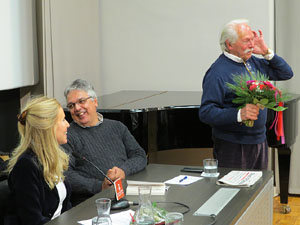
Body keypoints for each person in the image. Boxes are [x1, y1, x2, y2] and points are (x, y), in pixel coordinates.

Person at [199, 19, 293, 170]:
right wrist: (238, 114)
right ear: (230, 44)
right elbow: (206, 112)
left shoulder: (252, 61)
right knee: (236, 191)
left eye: (252, 39)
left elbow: (286, 73)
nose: (252, 45)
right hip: (233, 145)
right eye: (247, 40)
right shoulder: (217, 72)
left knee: (257, 190)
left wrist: (266, 52)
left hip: (259, 140)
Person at [62, 79, 147, 205]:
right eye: (71, 105)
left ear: (95, 101)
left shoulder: (117, 127)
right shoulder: (67, 136)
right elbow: (66, 175)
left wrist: (122, 171)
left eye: (81, 101)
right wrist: (100, 186)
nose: (77, 108)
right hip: (92, 202)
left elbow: (139, 155)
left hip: (125, 194)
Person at [5, 96, 71, 225]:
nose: (68, 124)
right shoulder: (26, 166)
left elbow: (65, 206)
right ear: (49, 127)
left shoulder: (53, 158)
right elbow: (32, 220)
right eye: (63, 120)